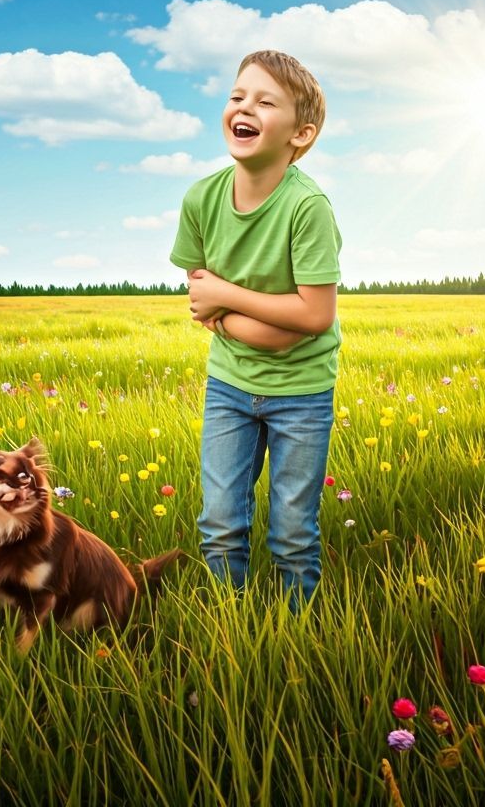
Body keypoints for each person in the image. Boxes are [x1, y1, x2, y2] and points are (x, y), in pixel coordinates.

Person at [170, 50, 342, 608]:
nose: (244, 108)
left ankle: (295, 634)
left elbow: (313, 318)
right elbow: (200, 299)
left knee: (293, 532)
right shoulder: (201, 199)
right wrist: (259, 315)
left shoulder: (307, 207)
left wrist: (227, 300)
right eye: (237, 96)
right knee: (220, 523)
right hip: (228, 387)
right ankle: (229, 628)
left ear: (301, 133)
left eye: (265, 102)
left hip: (301, 395)